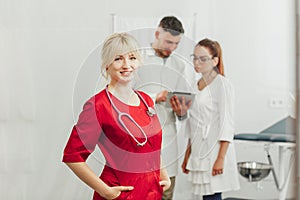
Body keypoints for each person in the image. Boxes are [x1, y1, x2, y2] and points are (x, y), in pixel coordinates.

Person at [62, 32, 171, 200]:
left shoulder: (146, 100)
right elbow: (72, 157)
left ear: (139, 62)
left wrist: (163, 174)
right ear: (107, 65)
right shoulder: (98, 106)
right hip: (120, 194)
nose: (126, 65)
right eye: (118, 59)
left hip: (152, 192)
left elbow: (151, 146)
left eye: (132, 58)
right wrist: (106, 191)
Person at [133, 16, 195, 200]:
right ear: (157, 34)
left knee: (166, 194)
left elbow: (183, 112)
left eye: (176, 44)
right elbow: (124, 97)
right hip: (140, 137)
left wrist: (181, 111)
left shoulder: (179, 65)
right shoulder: (137, 59)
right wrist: (155, 97)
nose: (172, 48)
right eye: (169, 42)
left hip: (168, 140)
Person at [179, 38, 240, 200]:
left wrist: (220, 159)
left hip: (215, 149)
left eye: (203, 59)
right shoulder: (195, 85)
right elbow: (193, 123)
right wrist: (187, 156)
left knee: (213, 195)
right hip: (198, 148)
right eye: (195, 57)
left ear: (215, 61)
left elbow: (227, 123)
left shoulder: (222, 85)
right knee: (204, 195)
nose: (197, 62)